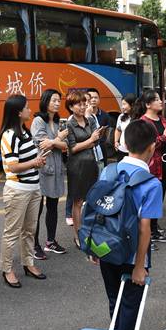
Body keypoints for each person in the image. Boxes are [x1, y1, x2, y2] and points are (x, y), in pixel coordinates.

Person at [96, 120, 162, 330]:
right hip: (132, 256)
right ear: (152, 147)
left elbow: (98, 210)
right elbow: (144, 228)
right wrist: (139, 266)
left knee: (114, 300)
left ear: (125, 144)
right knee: (130, 307)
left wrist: (94, 247)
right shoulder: (151, 183)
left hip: (106, 248)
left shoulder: (109, 171)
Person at [0, 95, 47, 288]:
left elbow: (27, 161)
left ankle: (28, 263)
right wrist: (35, 162)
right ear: (18, 112)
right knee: (12, 232)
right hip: (17, 190)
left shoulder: (25, 132)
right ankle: (7, 269)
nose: (30, 110)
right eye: (27, 107)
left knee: (30, 230)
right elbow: (12, 166)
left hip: (34, 188)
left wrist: (38, 161)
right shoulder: (9, 135)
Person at [135, 89, 166, 244]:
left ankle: (153, 227)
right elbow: (149, 145)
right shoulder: (144, 122)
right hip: (152, 166)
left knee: (159, 198)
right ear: (148, 104)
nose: (161, 101)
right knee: (151, 199)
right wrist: (165, 136)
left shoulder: (162, 119)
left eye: (160, 99)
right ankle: (150, 231)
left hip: (165, 164)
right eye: (157, 99)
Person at [31, 89, 70, 258]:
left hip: (57, 169)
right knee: (37, 209)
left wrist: (55, 141)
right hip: (42, 168)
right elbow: (42, 143)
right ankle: (34, 245)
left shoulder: (60, 122)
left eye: (58, 100)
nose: (57, 103)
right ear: (45, 101)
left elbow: (65, 145)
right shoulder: (38, 121)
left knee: (53, 206)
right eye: (53, 100)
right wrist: (58, 139)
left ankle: (51, 241)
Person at [65, 89, 105, 245]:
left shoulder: (89, 121)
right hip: (77, 167)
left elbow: (95, 141)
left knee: (91, 199)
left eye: (84, 104)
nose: (82, 107)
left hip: (91, 163)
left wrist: (95, 138)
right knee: (77, 201)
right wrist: (90, 140)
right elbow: (72, 148)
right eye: (78, 104)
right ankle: (77, 235)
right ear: (71, 107)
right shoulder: (69, 124)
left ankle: (89, 231)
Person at [114, 93, 137, 159]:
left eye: (124, 104)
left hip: (134, 152)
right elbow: (118, 130)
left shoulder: (139, 118)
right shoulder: (121, 116)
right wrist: (116, 141)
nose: (122, 107)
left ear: (132, 105)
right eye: (122, 104)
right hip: (121, 150)